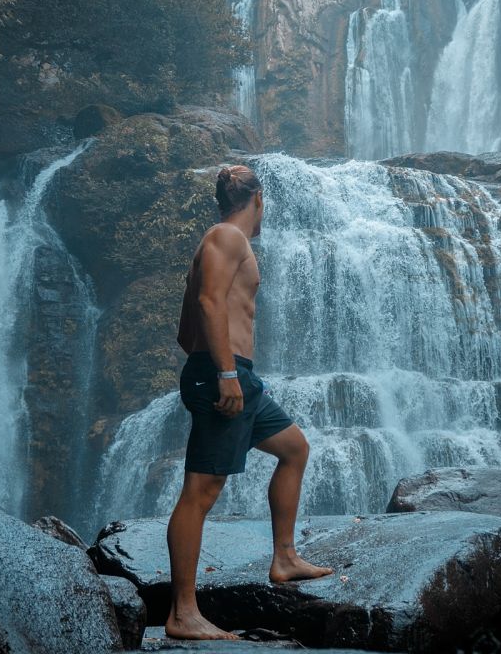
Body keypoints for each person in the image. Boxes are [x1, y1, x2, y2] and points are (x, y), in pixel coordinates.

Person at [164, 163, 334, 642]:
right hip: (227, 375)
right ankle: (182, 613)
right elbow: (209, 305)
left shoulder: (215, 241)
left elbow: (185, 328)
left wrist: (224, 369)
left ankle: (284, 558)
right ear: (258, 200)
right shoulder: (227, 238)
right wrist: (222, 373)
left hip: (237, 375)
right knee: (201, 490)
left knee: (294, 449)